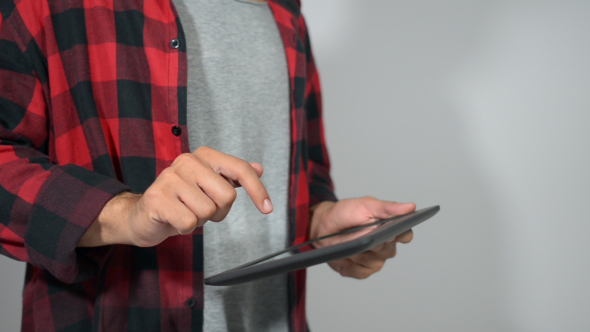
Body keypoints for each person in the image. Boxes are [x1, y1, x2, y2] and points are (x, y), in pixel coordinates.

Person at [0, 0, 415, 331]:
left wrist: (320, 221)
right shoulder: (44, 5)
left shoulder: (286, 13)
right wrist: (125, 214)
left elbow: (306, 167)